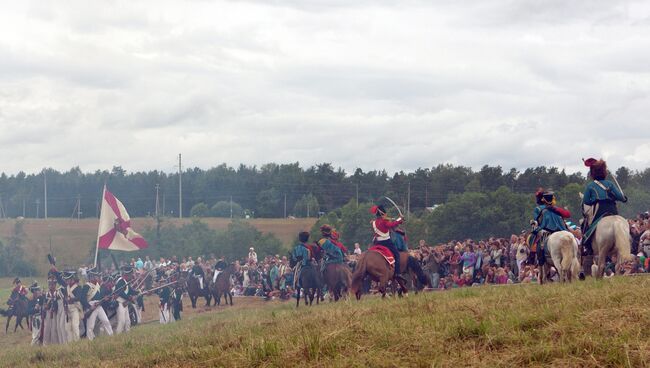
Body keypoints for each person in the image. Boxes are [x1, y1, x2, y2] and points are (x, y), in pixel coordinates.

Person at [581, 158, 628, 254]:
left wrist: (593, 201)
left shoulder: (591, 186)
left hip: (599, 210)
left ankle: (587, 246)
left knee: (589, 227)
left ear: (592, 173)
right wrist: (624, 198)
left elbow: (586, 201)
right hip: (612, 209)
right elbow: (620, 197)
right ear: (604, 172)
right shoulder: (610, 184)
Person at [530, 189, 571, 265]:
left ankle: (539, 260)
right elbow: (568, 214)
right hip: (563, 230)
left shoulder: (538, 209)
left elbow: (538, 222)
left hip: (547, 232)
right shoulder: (557, 208)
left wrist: (535, 229)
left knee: (538, 244)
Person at [370, 204, 404, 277]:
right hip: (386, 242)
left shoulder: (373, 222)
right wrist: (400, 219)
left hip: (378, 243)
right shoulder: (384, 221)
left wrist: (398, 219)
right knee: (397, 255)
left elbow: (390, 221)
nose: (386, 215)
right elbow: (391, 224)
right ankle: (397, 273)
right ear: (383, 213)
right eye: (385, 213)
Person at [82, 268, 114, 340]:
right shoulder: (86, 286)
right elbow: (82, 299)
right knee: (90, 326)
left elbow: (100, 296)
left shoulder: (97, 285)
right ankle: (89, 339)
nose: (98, 278)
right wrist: (90, 306)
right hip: (91, 305)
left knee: (106, 321)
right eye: (96, 276)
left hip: (98, 304)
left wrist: (104, 298)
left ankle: (111, 336)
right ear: (92, 277)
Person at [114, 266, 138, 334]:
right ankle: (118, 335)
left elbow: (130, 290)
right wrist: (129, 298)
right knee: (122, 321)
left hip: (124, 303)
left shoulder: (125, 281)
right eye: (130, 274)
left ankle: (127, 335)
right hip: (120, 302)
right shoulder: (121, 281)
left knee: (128, 321)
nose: (131, 276)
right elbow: (120, 292)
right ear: (127, 274)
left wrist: (138, 292)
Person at [62, 271, 83, 342]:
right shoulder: (66, 289)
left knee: (75, 326)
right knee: (68, 328)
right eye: (66, 280)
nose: (67, 281)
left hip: (75, 308)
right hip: (68, 309)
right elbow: (64, 299)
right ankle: (70, 343)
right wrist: (65, 308)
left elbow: (79, 297)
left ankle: (77, 342)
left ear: (72, 279)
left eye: (68, 279)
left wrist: (71, 299)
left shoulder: (78, 287)